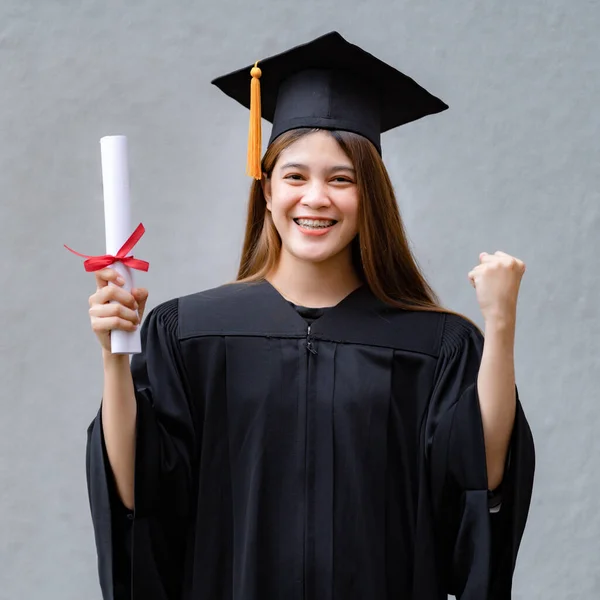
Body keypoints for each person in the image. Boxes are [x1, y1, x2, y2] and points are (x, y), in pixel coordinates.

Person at [85, 31, 535, 600]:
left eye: (341, 179)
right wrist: (114, 360)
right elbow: (139, 492)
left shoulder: (436, 344)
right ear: (266, 191)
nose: (315, 198)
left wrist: (499, 329)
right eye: (294, 176)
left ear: (369, 195)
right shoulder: (189, 333)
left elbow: (479, 480)